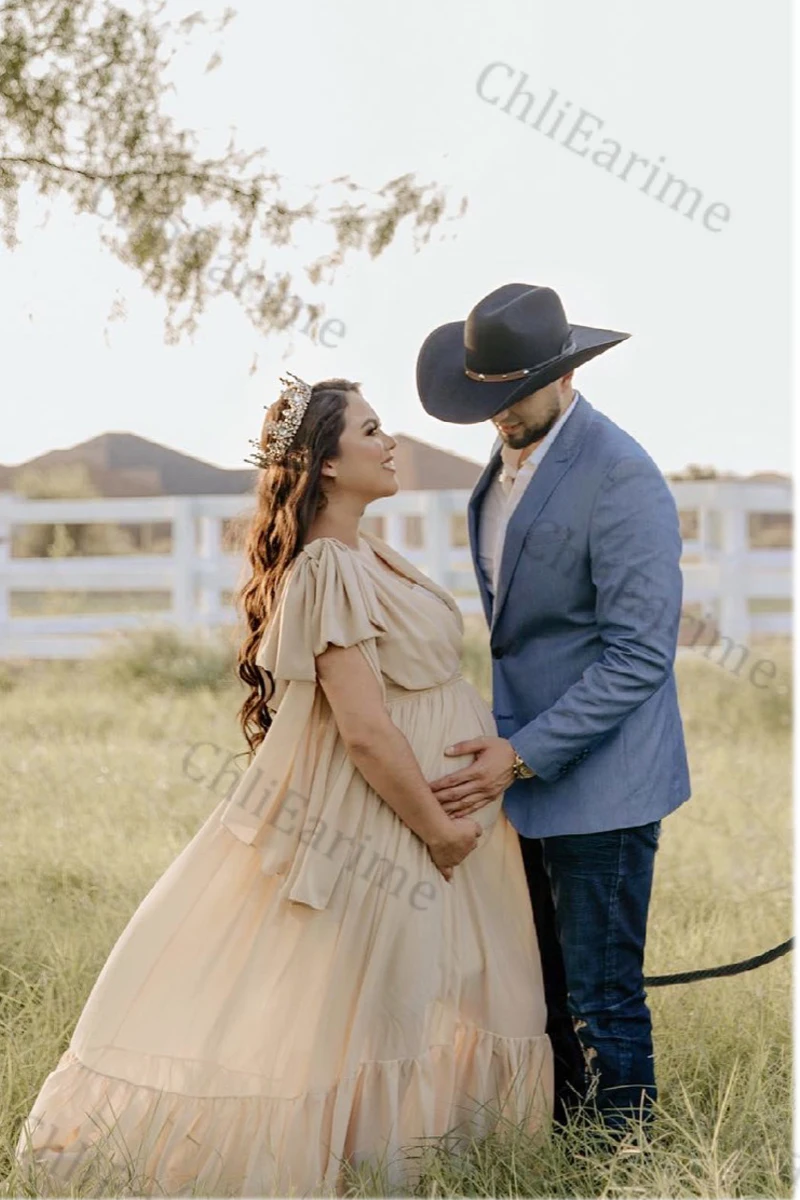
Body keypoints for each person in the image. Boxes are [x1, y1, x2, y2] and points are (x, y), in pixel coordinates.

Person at [15, 373, 553, 1197]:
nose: (390, 443)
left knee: (447, 995)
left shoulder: (372, 551)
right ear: (327, 463)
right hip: (399, 820)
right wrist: (439, 829)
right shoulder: (328, 567)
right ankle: (371, 1170)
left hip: (450, 818)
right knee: (387, 1004)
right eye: (370, 431)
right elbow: (364, 728)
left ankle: (448, 1159)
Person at [416, 283, 692, 1134]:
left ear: (566, 375)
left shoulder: (620, 474)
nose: (499, 412)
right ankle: (563, 1145)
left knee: (603, 995)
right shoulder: (501, 469)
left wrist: (524, 751)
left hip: (604, 782)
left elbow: (640, 654)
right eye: (485, 395)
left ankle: (625, 1162)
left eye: (517, 392)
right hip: (522, 780)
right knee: (541, 986)